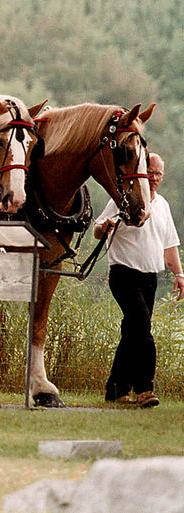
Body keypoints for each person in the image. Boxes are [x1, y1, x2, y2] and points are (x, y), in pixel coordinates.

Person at [93, 152, 184, 408]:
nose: (154, 178)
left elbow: (170, 245)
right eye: (151, 172)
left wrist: (178, 274)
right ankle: (144, 389)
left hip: (150, 278)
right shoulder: (125, 199)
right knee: (143, 329)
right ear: (142, 171)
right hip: (124, 273)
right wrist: (106, 226)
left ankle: (116, 388)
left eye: (159, 174)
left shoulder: (162, 205)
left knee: (132, 332)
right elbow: (97, 230)